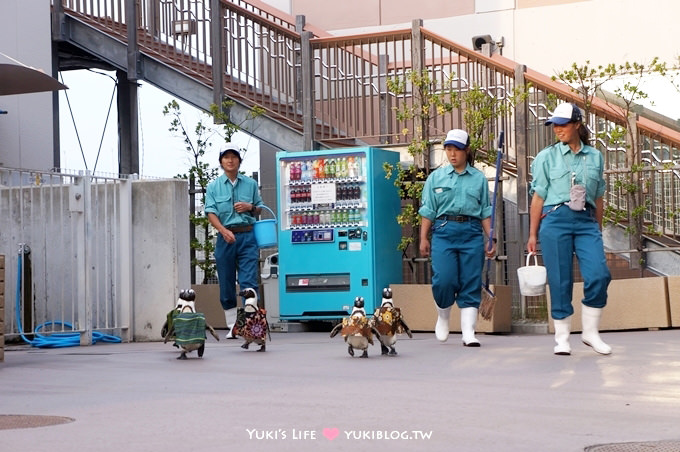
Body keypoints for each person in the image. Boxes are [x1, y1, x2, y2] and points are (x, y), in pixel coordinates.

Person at [527, 102, 612, 356]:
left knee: (599, 274)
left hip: (586, 221)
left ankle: (590, 333)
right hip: (555, 220)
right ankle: (562, 338)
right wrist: (532, 233)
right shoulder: (546, 157)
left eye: (563, 124)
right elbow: (538, 197)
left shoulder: (595, 156)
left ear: (577, 124)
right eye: (555, 124)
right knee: (560, 279)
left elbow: (598, 197)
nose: (557, 129)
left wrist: (597, 228)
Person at [419, 129, 497, 346]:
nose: (452, 154)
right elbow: (428, 210)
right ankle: (443, 317)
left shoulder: (478, 179)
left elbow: (484, 211)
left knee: (471, 280)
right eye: (449, 149)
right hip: (444, 231)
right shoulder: (436, 177)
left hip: (471, 232)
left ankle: (468, 333)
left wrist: (492, 238)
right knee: (444, 279)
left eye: (457, 149)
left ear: (467, 151)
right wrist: (423, 238)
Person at [205, 144, 263, 339]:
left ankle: (251, 323)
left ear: (239, 161)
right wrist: (223, 230)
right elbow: (210, 212)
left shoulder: (250, 184)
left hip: (247, 235)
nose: (230, 160)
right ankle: (232, 325)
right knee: (226, 282)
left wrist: (250, 206)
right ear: (221, 161)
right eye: (226, 157)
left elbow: (260, 208)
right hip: (225, 237)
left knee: (248, 281)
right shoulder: (213, 186)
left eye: (234, 157)